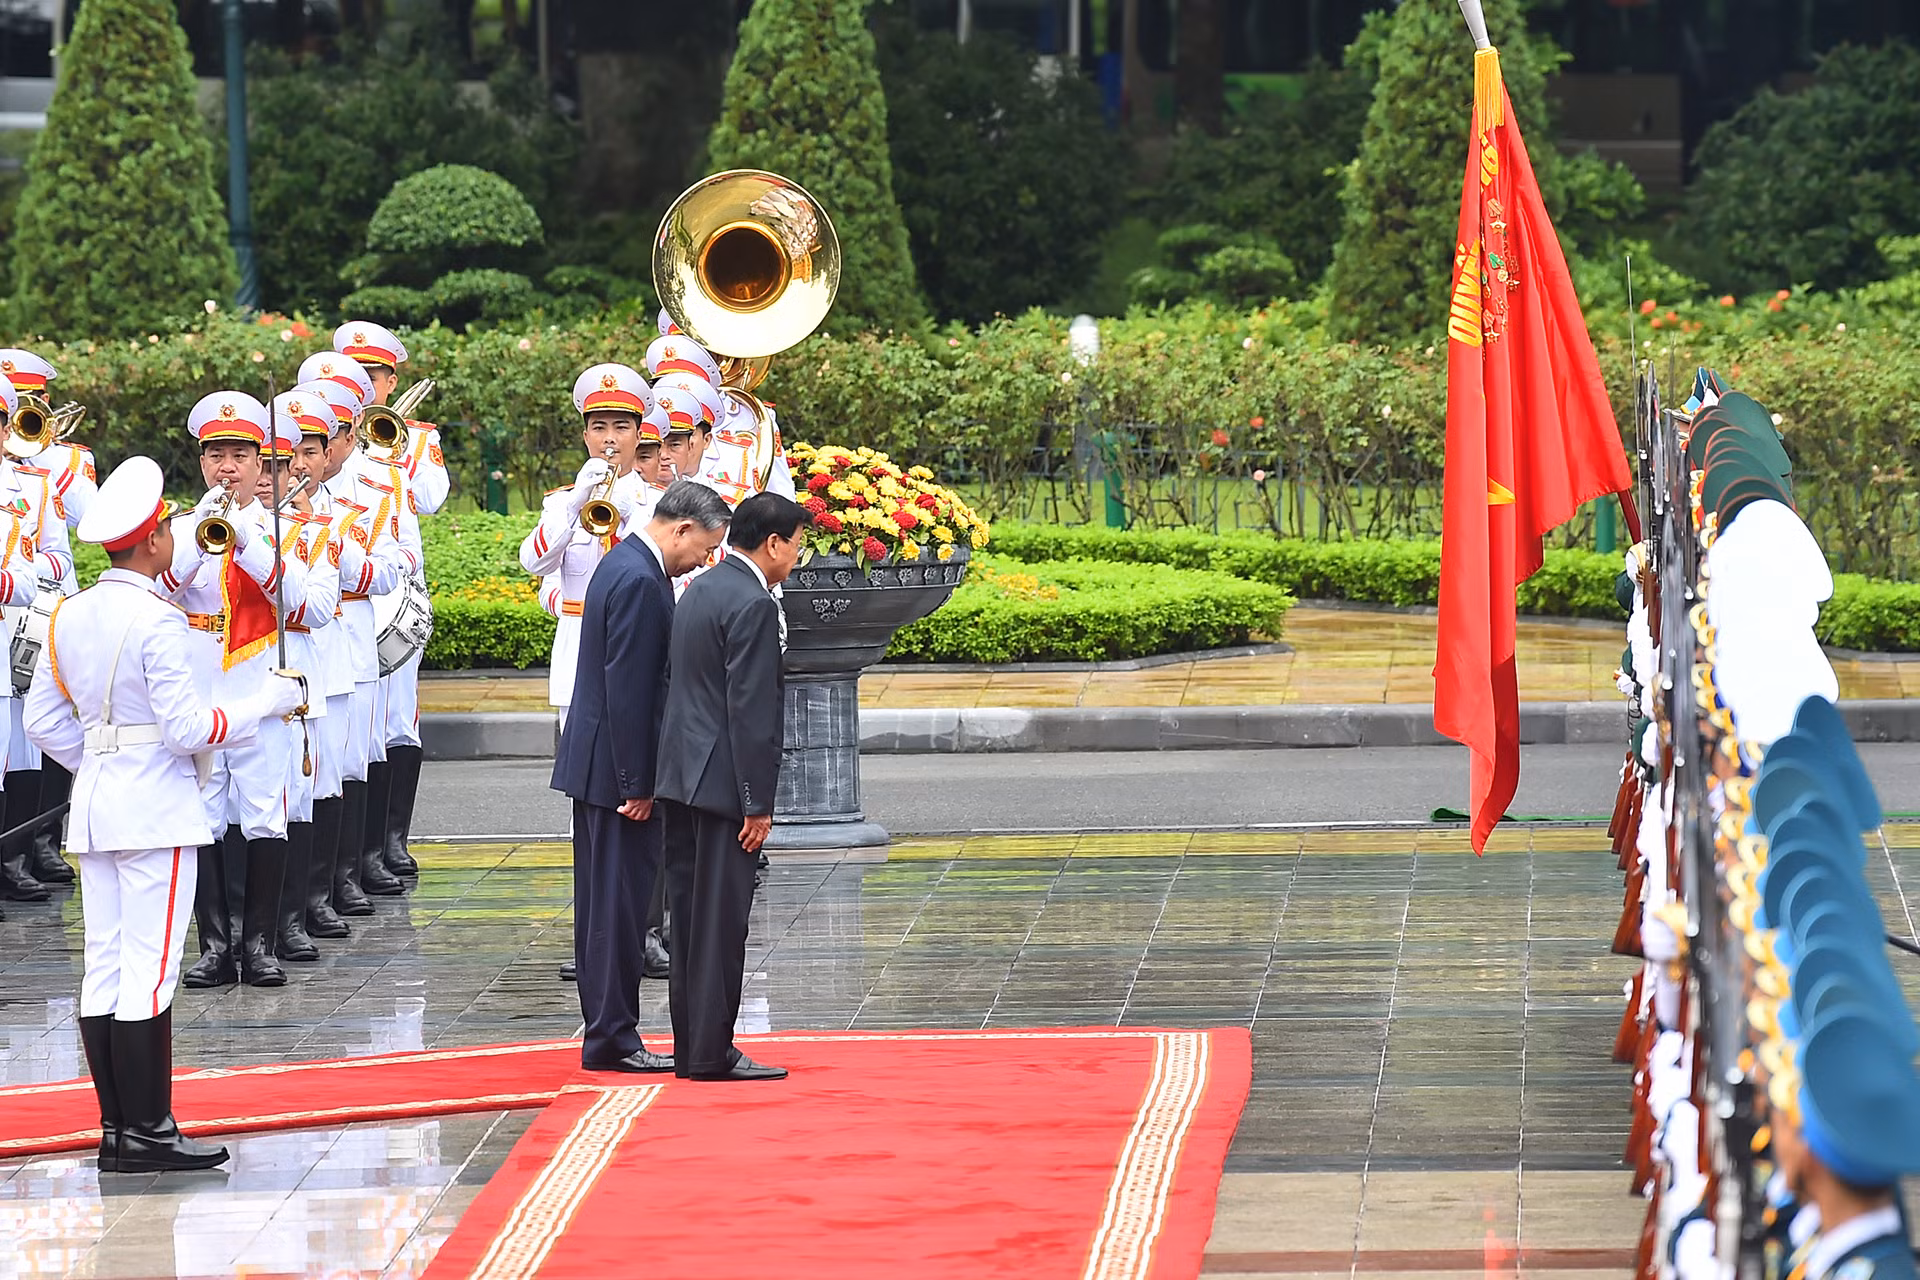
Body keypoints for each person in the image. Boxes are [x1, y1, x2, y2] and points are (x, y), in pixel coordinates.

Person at [24, 455, 305, 1172]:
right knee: (148, 969)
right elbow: (187, 729)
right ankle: (148, 1128)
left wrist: (102, 763)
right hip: (154, 807)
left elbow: (43, 722)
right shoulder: (156, 620)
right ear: (151, 541)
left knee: (104, 967)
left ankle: (118, 1129)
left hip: (95, 806)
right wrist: (263, 705)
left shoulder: (69, 613)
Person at [550, 479, 731, 1072]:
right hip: (615, 771)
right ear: (680, 528)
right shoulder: (639, 579)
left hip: (601, 764)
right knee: (617, 909)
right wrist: (638, 783)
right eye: (704, 547)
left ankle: (609, 1032)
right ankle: (612, 1038)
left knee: (608, 905)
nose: (704, 560)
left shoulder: (626, 561)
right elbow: (630, 690)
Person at [656, 491, 810, 1082]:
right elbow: (750, 711)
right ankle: (711, 1052)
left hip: (683, 777)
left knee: (691, 922)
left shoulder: (702, 588)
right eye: (796, 547)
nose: (796, 559)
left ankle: (694, 1047)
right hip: (724, 788)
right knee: (721, 923)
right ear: (772, 543)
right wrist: (758, 803)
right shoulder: (751, 603)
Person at [161, 392, 309, 989]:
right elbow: (164, 590)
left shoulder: (280, 529)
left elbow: (296, 601)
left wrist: (246, 537)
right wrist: (203, 535)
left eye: (239, 456)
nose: (228, 467)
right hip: (200, 693)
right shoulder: (180, 527)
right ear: (202, 463)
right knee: (206, 818)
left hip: (258, 691)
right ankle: (215, 947)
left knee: (264, 818)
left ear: (260, 464)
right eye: (216, 455)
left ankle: (260, 945)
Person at [333, 323, 441, 884]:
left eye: (371, 376)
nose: (361, 386)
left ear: (390, 378)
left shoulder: (413, 439)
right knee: (356, 730)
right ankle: (359, 854)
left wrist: (402, 449)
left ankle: (391, 841)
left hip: (397, 595)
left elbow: (432, 498)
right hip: (349, 596)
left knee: (398, 721)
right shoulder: (327, 446)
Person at [0, 348, 95, 892]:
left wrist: (16, 575)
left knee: (26, 743)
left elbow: (63, 554)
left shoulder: (42, 479)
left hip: (22, 626)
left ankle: (19, 855)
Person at [265, 389, 341, 962]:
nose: (270, 477)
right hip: (235, 683)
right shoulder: (201, 527)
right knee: (236, 811)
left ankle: (292, 918)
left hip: (297, 678)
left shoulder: (314, 531)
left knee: (297, 799)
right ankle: (241, 933)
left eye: (278, 465)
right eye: (258, 465)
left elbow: (315, 607)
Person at [288, 378, 361, 944]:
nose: (300, 466)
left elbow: (358, 576)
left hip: (324, 663)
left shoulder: (341, 511)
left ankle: (319, 895)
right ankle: (285, 908)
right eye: (291, 455)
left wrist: (318, 522)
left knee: (324, 782)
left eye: (309, 452)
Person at [0, 376, 65, 912]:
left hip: (9, 633)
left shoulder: (32, 488)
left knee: (14, 754)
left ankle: (12, 859)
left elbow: (57, 563)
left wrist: (11, 579)